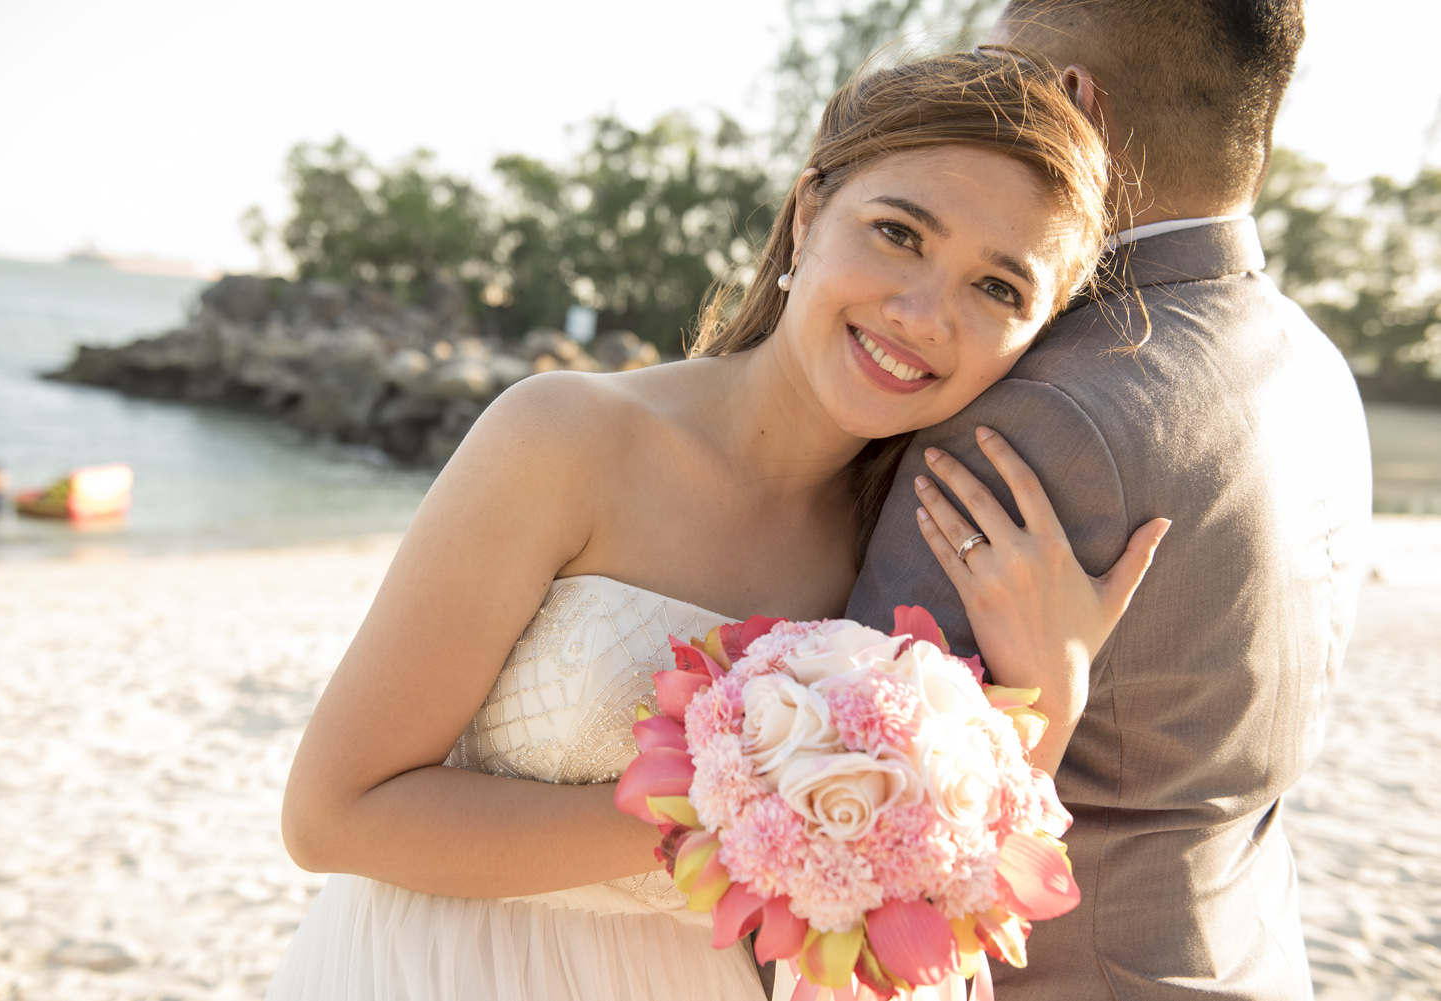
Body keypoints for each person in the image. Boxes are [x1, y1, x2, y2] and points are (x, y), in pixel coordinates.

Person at [265, 51, 1170, 1001]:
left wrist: (1047, 707)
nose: (921, 314)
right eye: (899, 232)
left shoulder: (903, 561)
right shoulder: (565, 437)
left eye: (998, 289)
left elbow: (906, 937)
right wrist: (749, 818)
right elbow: (333, 815)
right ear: (809, 211)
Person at [848, 2, 1371, 998]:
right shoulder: (1312, 361)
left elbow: (876, 814)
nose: (967, 91)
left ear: (1071, 102)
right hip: (1251, 952)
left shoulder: (1045, 410)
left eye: (993, 69)